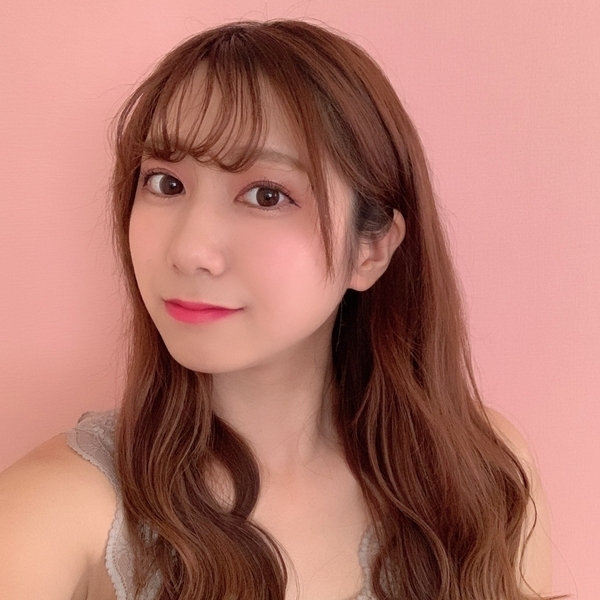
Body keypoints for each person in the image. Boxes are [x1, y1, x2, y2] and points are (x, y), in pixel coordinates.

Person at [0, 18, 565, 600]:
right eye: (165, 184)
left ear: (370, 249)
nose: (189, 251)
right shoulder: (52, 515)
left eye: (267, 195)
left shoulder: (485, 479)